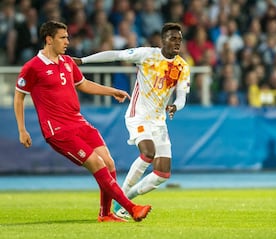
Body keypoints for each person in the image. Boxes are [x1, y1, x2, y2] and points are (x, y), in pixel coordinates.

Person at [13, 20, 151, 223]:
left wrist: (111, 90)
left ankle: (105, 214)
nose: (67, 41)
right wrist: (22, 130)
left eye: (67, 37)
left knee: (109, 162)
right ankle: (131, 208)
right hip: (58, 130)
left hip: (78, 122)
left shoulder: (67, 62)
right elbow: (19, 96)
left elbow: (83, 84)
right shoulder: (32, 67)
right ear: (49, 40)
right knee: (97, 163)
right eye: (63, 37)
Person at [73, 22, 190, 219]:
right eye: (173, 38)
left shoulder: (182, 66)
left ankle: (124, 200)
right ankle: (123, 202)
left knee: (162, 175)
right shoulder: (146, 55)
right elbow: (115, 55)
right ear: (163, 40)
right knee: (148, 153)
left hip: (159, 122)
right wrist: (83, 61)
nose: (177, 42)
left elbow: (182, 97)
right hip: (139, 115)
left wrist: (175, 106)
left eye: (179, 39)